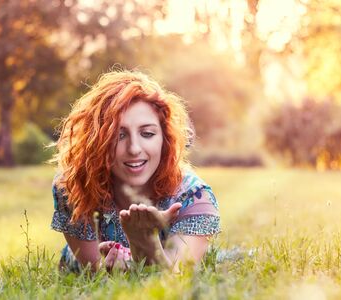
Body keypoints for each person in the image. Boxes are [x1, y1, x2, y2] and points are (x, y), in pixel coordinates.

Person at [50, 70, 220, 272]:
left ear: (165, 139)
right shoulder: (73, 186)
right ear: (97, 141)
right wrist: (111, 270)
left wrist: (147, 245)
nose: (134, 148)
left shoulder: (194, 196)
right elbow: (94, 274)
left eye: (147, 134)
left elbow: (176, 279)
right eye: (119, 135)